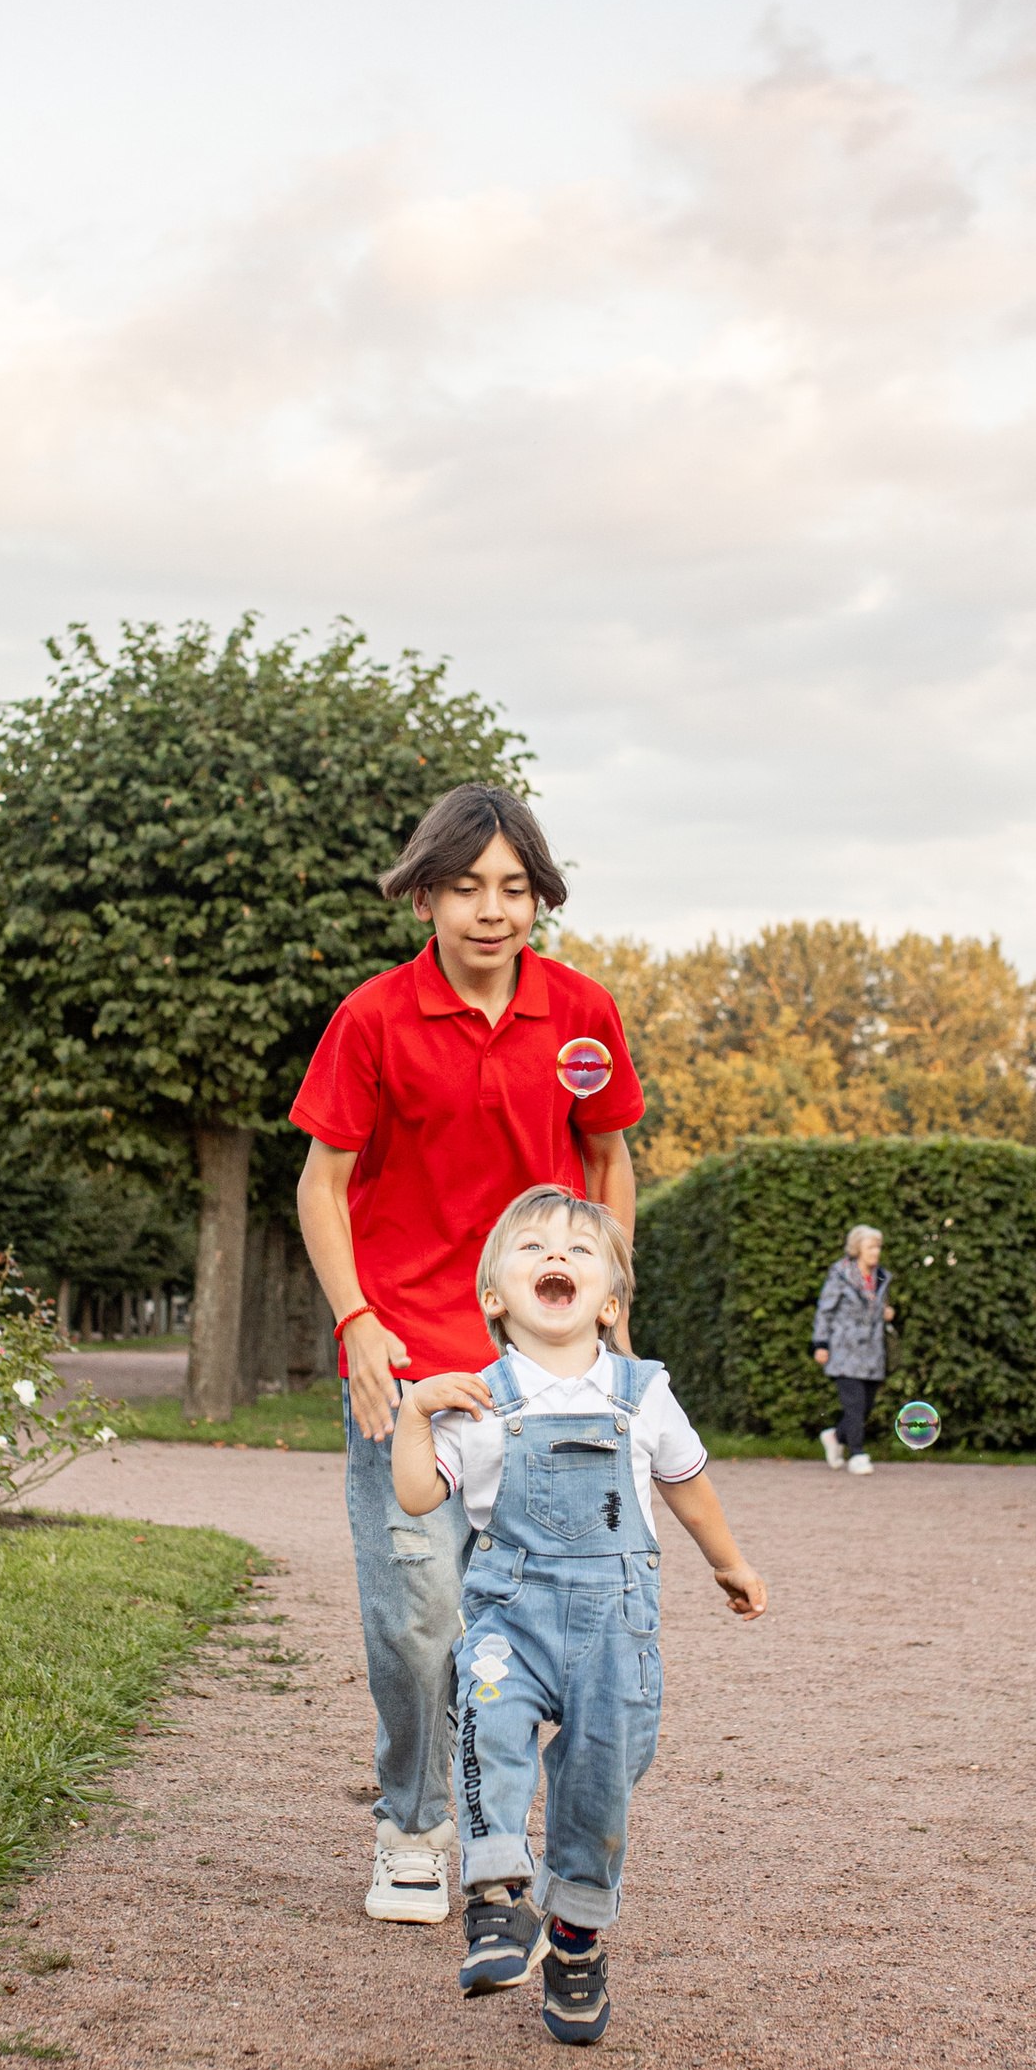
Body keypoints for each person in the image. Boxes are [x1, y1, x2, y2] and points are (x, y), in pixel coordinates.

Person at [293, 786, 644, 1927]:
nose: (490, 911)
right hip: (409, 1363)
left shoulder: (583, 1018)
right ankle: (410, 1821)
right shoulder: (374, 1019)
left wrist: (611, 1306)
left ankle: (505, 1827)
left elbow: (608, 1165)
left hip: (541, 1369)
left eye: (512, 887)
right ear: (426, 894)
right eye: (464, 886)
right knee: (418, 1611)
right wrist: (356, 1324)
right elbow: (322, 1185)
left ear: (537, 894)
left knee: (544, 1615)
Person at [390, 1189, 764, 2044]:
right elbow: (417, 1493)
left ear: (610, 1302)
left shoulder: (645, 1392)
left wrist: (729, 1561)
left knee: (600, 1778)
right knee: (484, 1727)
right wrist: (415, 1413)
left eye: (579, 1250)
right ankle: (494, 1898)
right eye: (530, 1246)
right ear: (494, 1294)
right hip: (507, 1623)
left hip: (615, 1633)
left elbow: (687, 1487)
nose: (554, 1255)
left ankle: (575, 1937)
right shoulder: (475, 1401)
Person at [812, 1222, 894, 1474]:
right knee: (855, 1406)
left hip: (872, 1352)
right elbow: (825, 1310)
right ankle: (857, 1454)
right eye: (871, 1246)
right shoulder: (840, 1274)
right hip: (844, 1350)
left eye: (878, 1246)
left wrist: (886, 1313)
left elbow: (876, 1308)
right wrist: (821, 1344)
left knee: (866, 1406)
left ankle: (835, 1437)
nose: (876, 1251)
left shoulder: (881, 1276)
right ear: (857, 1248)